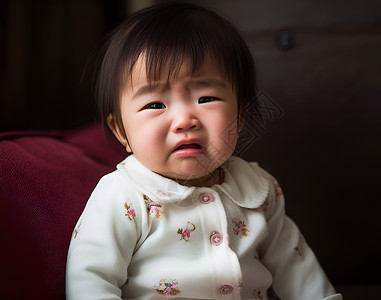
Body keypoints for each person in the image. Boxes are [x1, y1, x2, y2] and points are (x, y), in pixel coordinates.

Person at [66, 2, 342, 300]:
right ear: (122, 131)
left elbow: (297, 268)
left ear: (241, 116)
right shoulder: (122, 196)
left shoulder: (258, 190)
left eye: (206, 97)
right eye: (155, 105)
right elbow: (90, 279)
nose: (185, 120)